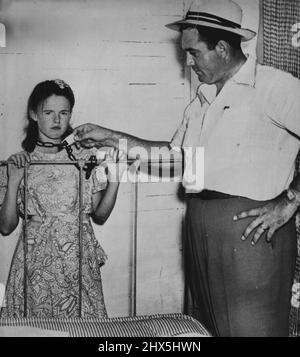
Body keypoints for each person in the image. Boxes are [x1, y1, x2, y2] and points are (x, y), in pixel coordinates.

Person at [71, 0, 300, 336]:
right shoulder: (202, 100)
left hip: (248, 233)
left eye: (194, 53)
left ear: (222, 48)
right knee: (202, 331)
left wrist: (290, 200)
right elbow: (175, 158)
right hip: (199, 228)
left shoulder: (274, 86)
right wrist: (110, 137)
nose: (188, 62)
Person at [0, 79, 126, 318]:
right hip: (34, 263)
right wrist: (14, 180)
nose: (57, 120)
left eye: (63, 112)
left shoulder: (85, 157)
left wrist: (116, 178)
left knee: (84, 327)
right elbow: (6, 227)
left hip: (77, 260)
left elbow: (100, 215)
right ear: (34, 114)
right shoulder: (19, 162)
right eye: (48, 112)